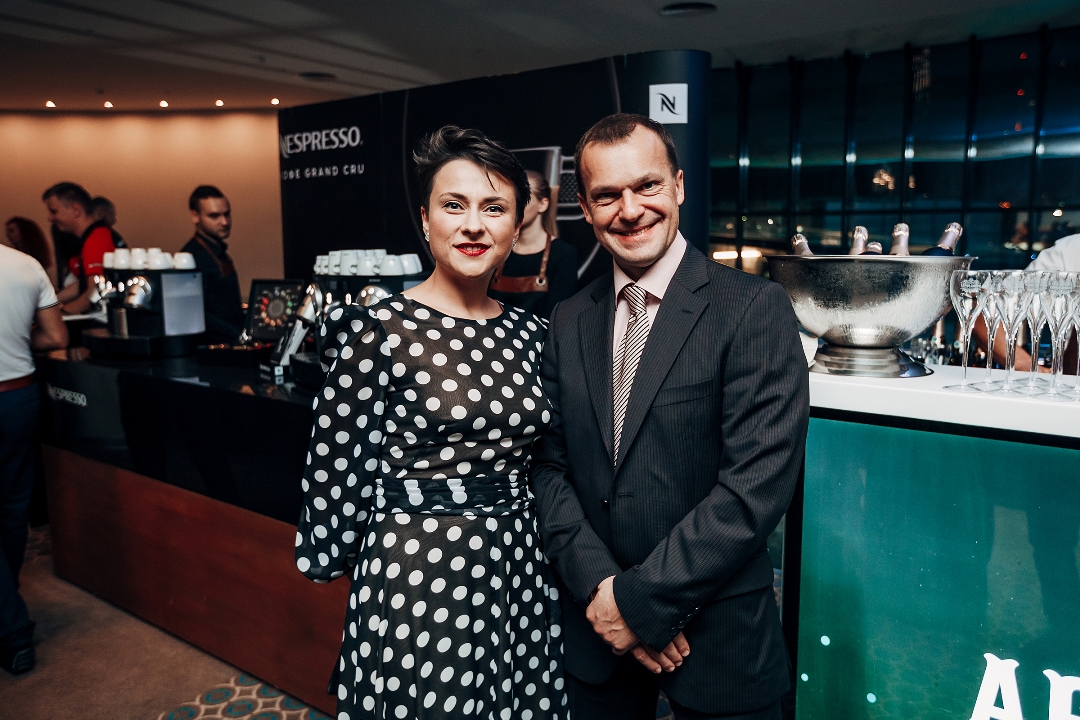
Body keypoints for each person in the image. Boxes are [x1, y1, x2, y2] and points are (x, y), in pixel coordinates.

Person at [531, 114, 809, 720]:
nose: (630, 210)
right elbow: (549, 471)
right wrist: (602, 592)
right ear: (586, 208)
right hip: (596, 642)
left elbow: (755, 489)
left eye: (647, 186)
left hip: (719, 646)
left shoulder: (753, 308)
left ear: (679, 186)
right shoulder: (568, 320)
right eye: (607, 195)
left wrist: (636, 603)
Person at [295, 125, 567, 720]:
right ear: (425, 219)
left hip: (518, 562)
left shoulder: (534, 334)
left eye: (493, 208)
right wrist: (358, 569)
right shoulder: (376, 330)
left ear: (517, 225)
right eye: (454, 205)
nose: (473, 225)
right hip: (417, 571)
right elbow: (336, 468)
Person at [0, 243, 69, 674]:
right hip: (19, 398)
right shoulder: (25, 265)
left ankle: (13, 631)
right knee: (12, 509)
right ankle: (6, 605)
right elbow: (56, 337)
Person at [488, 169, 578, 318]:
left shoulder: (563, 254)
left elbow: (559, 319)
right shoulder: (498, 248)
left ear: (543, 204)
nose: (515, 206)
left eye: (523, 198)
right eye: (511, 199)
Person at [43, 182, 124, 314]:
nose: (50, 218)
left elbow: (94, 292)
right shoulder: (92, 236)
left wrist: (58, 315)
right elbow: (83, 284)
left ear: (76, 210)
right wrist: (48, 303)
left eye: (54, 211)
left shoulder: (97, 238)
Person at [182, 186, 245, 343]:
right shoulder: (192, 258)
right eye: (214, 216)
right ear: (195, 216)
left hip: (229, 342)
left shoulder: (218, 252)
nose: (224, 222)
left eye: (227, 214)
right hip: (214, 348)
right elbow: (196, 312)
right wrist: (238, 334)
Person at [4, 217, 57, 289]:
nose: (8, 235)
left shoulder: (30, 257)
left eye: (11, 230)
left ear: (23, 231)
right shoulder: (13, 254)